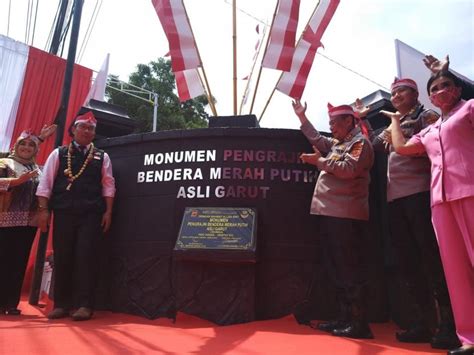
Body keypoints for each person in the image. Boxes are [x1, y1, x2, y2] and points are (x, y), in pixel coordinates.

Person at [384, 70, 474, 355]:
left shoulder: (461, 111)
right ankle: (467, 336)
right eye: (435, 87)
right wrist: (396, 122)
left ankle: (447, 326)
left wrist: (444, 69)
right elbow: (399, 148)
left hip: (465, 190)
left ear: (458, 90)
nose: (441, 91)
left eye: (446, 85)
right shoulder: (429, 129)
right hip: (439, 199)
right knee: (454, 270)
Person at [367, 78, 458, 349]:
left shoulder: (425, 115)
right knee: (408, 261)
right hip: (396, 199)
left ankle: (449, 324)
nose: (395, 95)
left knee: (431, 258)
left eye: (400, 91)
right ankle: (422, 322)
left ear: (415, 94)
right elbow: (376, 146)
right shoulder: (396, 120)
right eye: (393, 92)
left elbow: (431, 147)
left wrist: (401, 137)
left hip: (420, 194)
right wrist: (368, 120)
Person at [292, 100, 374, 339]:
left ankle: (359, 323)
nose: (331, 127)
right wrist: (302, 118)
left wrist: (318, 162)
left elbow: (348, 169)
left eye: (334, 123)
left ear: (349, 121)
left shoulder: (360, 143)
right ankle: (344, 317)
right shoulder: (340, 143)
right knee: (336, 268)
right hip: (330, 212)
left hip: (345, 214)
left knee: (348, 269)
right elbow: (318, 140)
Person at [37, 111, 116, 321]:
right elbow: (45, 184)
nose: (87, 131)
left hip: (91, 214)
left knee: (86, 257)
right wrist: (43, 210)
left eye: (91, 129)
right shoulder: (59, 153)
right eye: (83, 127)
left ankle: (84, 304)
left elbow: (108, 185)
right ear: (73, 130)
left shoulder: (102, 156)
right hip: (63, 212)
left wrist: (108, 211)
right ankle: (62, 304)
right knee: (63, 256)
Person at [0, 126, 56, 315]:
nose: (26, 147)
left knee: (18, 262)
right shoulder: (4, 162)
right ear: (16, 145)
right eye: (22, 144)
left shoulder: (37, 168)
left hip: (28, 222)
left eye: (31, 145)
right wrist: (17, 181)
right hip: (4, 220)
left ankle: (10, 304)